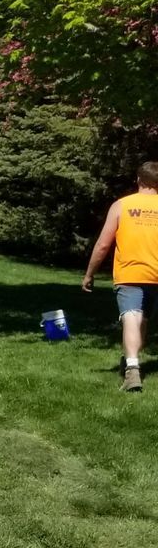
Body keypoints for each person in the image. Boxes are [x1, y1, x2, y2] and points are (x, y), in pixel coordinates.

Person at [82, 160, 158, 392]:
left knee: (131, 317)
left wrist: (89, 274)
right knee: (141, 320)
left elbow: (104, 244)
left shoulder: (122, 206)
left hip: (129, 273)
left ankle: (132, 370)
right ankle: (132, 361)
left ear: (138, 180)